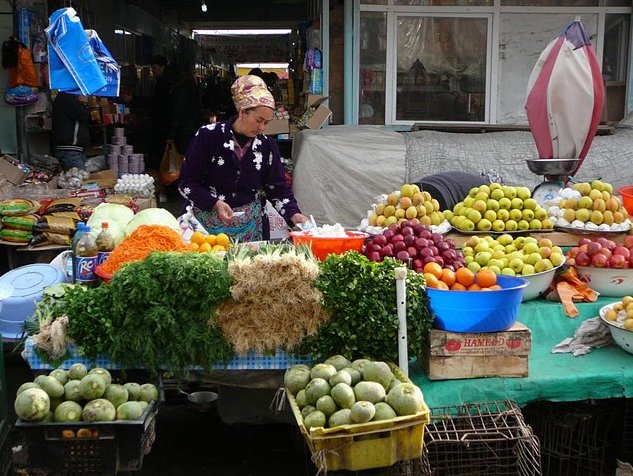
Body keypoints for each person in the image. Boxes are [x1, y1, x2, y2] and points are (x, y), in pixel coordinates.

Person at [178, 74, 309, 241]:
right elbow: (186, 182)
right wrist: (214, 203)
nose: (261, 128)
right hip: (204, 230)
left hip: (251, 230)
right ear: (242, 111)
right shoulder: (208, 136)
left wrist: (293, 214)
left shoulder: (267, 147)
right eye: (258, 120)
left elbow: (277, 189)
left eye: (266, 123)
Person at [51, 91, 90, 171]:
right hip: (69, 150)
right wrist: (83, 102)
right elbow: (82, 114)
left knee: (79, 178)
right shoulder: (66, 97)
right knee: (79, 179)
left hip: (74, 150)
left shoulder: (68, 97)